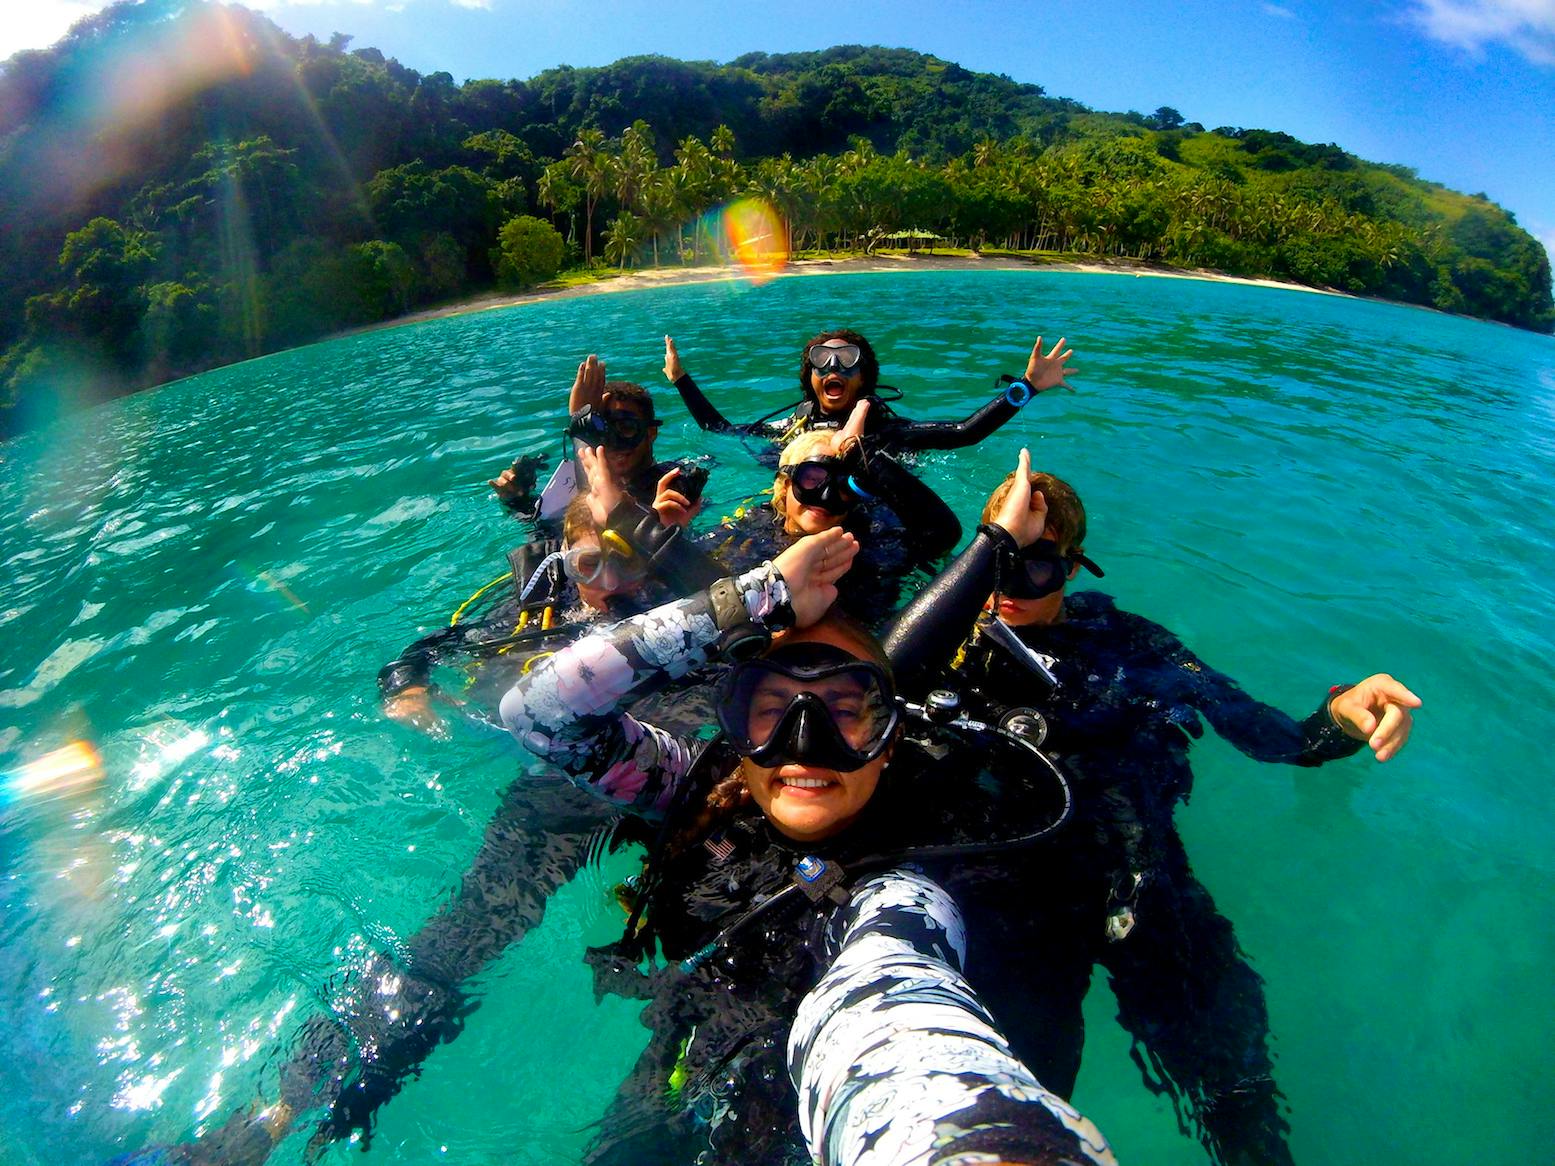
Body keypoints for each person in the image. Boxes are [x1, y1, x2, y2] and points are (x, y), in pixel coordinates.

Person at [497, 528, 1112, 1166]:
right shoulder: (693, 789)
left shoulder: (906, 885)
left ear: (890, 739)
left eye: (843, 711)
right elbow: (539, 712)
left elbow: (896, 995)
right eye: (771, 708)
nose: (803, 741)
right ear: (735, 728)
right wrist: (755, 598)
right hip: (680, 1053)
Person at [883, 453, 1422, 1166]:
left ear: (1074, 569)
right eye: (1000, 561)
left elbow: (1271, 738)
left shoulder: (1132, 646)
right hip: (1011, 903)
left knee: (1237, 1097)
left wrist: (1338, 721)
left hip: (1141, 878)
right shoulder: (932, 641)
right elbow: (867, 688)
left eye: (1037, 567)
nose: (1011, 587)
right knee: (1005, 1116)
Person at [691, 398, 961, 626]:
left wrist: (858, 452)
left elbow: (942, 534)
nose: (827, 496)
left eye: (842, 485)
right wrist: (665, 533)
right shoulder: (751, 527)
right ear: (785, 486)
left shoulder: (872, 536)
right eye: (812, 478)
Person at [662, 328, 1075, 454]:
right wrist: (681, 379)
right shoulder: (795, 424)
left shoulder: (885, 430)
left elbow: (963, 432)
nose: (833, 370)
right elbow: (720, 428)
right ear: (808, 378)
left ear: (866, 377)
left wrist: (1026, 387)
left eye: (847, 361)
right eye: (821, 362)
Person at [491, 354, 703, 521]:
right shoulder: (577, 483)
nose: (613, 443)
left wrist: (581, 428)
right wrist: (519, 501)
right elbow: (554, 532)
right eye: (601, 430)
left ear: (650, 433)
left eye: (626, 428)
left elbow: (615, 531)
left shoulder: (673, 481)